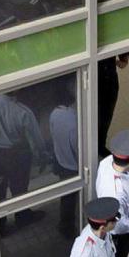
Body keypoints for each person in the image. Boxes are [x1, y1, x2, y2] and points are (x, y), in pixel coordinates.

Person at [0, 91, 48, 231]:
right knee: (19, 188)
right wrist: (42, 155)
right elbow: (36, 138)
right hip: (17, 154)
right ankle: (22, 217)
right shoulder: (23, 111)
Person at [49, 101, 78, 237]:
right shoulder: (74, 124)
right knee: (69, 199)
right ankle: (66, 226)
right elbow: (78, 150)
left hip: (60, 160)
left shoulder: (56, 112)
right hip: (72, 166)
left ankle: (66, 224)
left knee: (67, 196)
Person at [97, 53, 129, 158]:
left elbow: (123, 61)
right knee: (103, 117)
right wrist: (123, 60)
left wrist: (123, 59)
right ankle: (99, 145)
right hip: (104, 77)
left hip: (107, 79)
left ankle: (100, 145)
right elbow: (123, 62)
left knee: (105, 117)